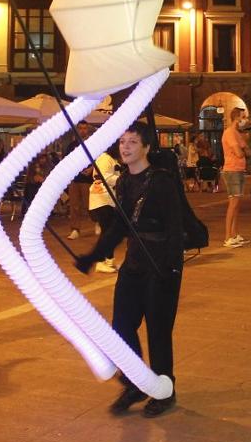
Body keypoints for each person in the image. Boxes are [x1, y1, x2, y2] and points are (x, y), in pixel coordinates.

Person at [76, 123, 184, 418]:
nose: (125, 147)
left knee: (158, 332)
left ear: (146, 147)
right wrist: (92, 256)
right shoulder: (124, 181)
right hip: (134, 263)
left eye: (133, 142)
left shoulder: (161, 182)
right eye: (123, 142)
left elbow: (175, 228)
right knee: (121, 327)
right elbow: (119, 227)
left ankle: (165, 390)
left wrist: (171, 268)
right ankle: (135, 381)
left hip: (161, 265)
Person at [220, 107, 249, 247]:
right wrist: (243, 149)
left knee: (237, 204)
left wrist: (243, 149)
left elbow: (247, 150)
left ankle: (235, 234)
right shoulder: (230, 133)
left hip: (239, 170)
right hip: (232, 170)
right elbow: (240, 153)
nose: (245, 120)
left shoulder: (237, 133)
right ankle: (227, 237)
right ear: (237, 117)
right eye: (244, 117)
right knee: (233, 204)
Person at [88, 148, 120, 273]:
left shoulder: (110, 159)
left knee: (109, 231)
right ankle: (101, 261)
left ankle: (108, 260)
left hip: (108, 199)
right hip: (102, 198)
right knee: (107, 231)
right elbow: (103, 177)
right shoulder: (105, 158)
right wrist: (122, 179)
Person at [64, 122, 94, 240]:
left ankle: (98, 222)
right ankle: (75, 229)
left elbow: (98, 159)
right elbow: (66, 161)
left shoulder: (92, 144)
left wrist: (91, 169)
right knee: (74, 205)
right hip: (75, 179)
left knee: (89, 205)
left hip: (87, 179)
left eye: (84, 128)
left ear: (88, 130)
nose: (82, 130)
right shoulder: (71, 146)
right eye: (80, 128)